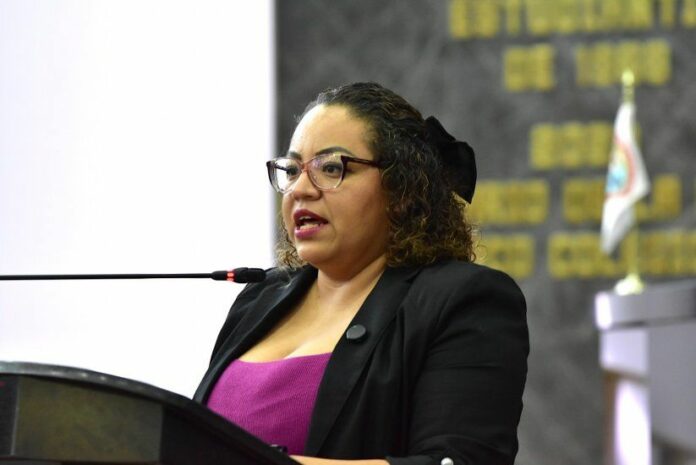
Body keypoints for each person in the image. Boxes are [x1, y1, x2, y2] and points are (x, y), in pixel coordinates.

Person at [194, 82, 529, 465]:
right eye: (292, 170)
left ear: (402, 189)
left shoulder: (463, 300)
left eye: (331, 168)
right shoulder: (257, 300)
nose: (300, 190)